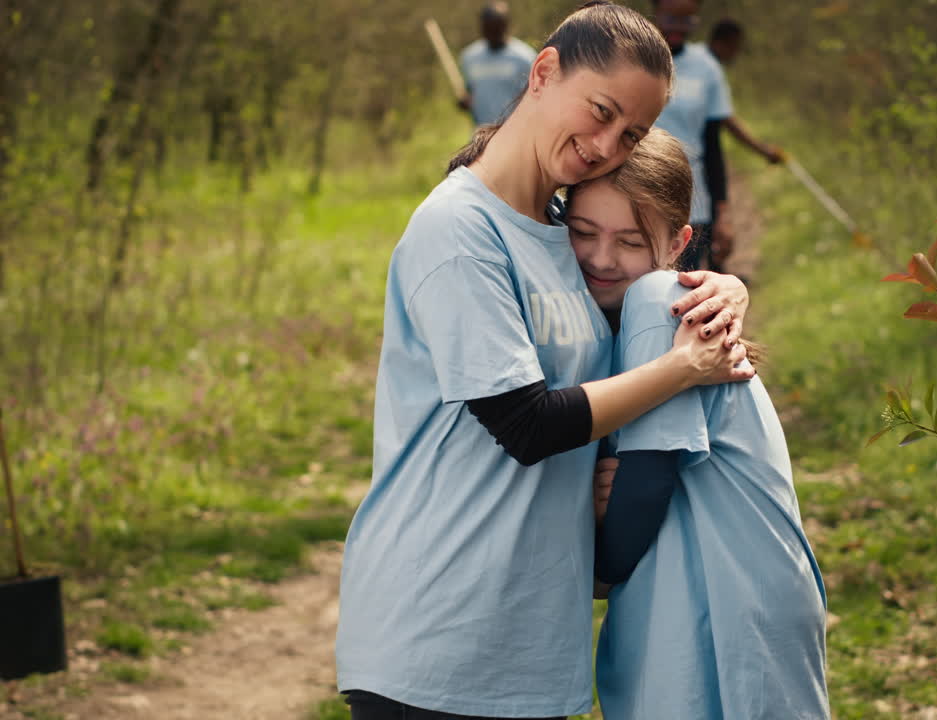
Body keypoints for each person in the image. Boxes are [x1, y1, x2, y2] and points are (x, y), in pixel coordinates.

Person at [335, 4, 754, 719]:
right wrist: (682, 369)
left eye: (632, 133)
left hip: (531, 642)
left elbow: (629, 323)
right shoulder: (459, 230)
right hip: (437, 632)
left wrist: (718, 285)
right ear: (543, 71)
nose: (604, 144)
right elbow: (526, 423)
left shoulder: (567, 234)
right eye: (600, 111)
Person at [565, 130, 829, 719]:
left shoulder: (660, 299)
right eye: (583, 233)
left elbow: (646, 482)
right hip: (697, 591)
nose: (602, 258)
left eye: (629, 241)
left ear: (678, 244)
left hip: (728, 593)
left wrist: (593, 568)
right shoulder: (606, 319)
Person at [650, 0, 785, 273]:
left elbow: (713, 144)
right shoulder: (631, 58)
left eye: (686, 20)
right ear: (655, 11)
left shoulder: (706, 69)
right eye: (670, 18)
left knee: (682, 289)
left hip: (691, 204)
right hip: (636, 198)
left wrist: (722, 213)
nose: (678, 28)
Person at [457, 3, 537, 126]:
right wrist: (466, 102)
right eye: (488, 27)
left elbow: (534, 98)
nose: (492, 32)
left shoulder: (524, 58)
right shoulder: (470, 57)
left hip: (513, 132)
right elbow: (470, 91)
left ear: (505, 26)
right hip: (480, 135)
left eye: (496, 27)